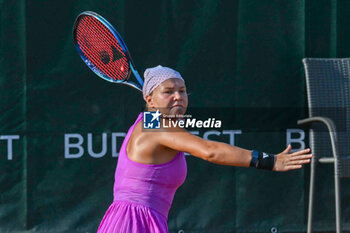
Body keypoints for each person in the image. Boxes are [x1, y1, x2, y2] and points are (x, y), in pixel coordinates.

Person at [97, 65, 312, 233]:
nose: (178, 97)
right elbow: (210, 150)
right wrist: (270, 161)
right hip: (132, 223)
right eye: (168, 92)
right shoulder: (156, 127)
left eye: (182, 91)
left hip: (136, 220)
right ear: (150, 100)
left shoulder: (150, 122)